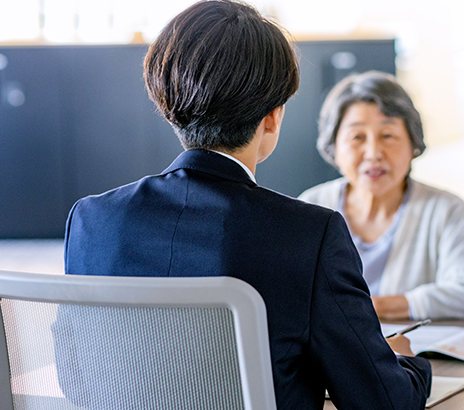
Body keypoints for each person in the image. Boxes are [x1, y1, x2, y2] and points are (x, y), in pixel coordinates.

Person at [55, 2, 431, 409]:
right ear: (272, 118)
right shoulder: (308, 235)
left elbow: (79, 378)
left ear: (169, 107)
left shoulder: (93, 219)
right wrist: (406, 361)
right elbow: (383, 402)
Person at [299, 71, 464, 320]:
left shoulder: (443, 209)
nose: (373, 152)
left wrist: (373, 308)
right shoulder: (311, 207)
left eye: (388, 136)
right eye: (357, 137)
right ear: (334, 147)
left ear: (413, 144)